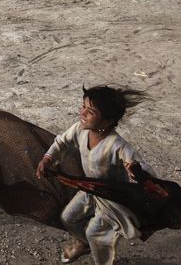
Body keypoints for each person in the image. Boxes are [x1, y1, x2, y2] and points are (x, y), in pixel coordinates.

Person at [36, 85, 154, 265]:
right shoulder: (80, 130)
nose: (82, 113)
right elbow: (61, 142)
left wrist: (136, 171)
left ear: (107, 121)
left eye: (90, 111)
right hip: (90, 190)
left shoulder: (117, 145)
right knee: (68, 218)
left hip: (112, 199)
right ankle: (84, 243)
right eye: (83, 106)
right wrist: (47, 158)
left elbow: (141, 167)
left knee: (96, 234)